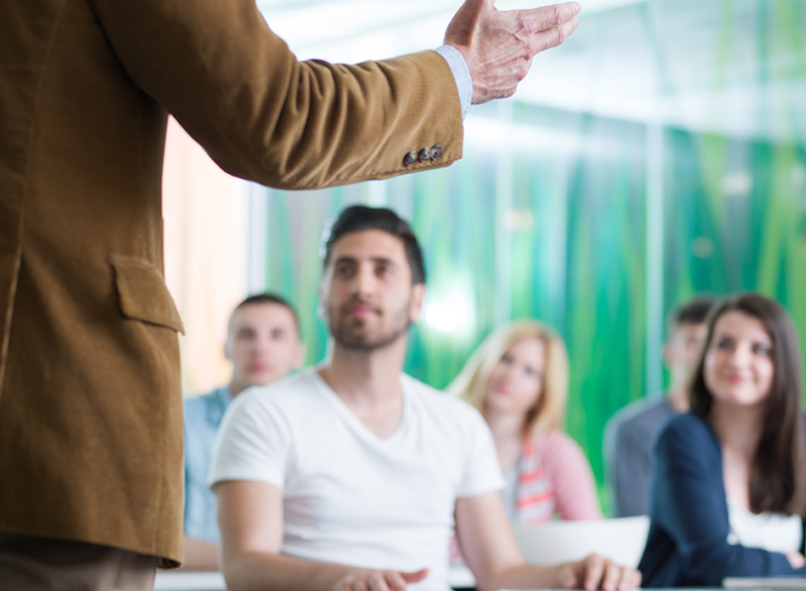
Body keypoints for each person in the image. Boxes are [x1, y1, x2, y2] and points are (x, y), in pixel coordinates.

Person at [0, 0, 582, 584]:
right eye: (350, 266)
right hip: (32, 420)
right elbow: (274, 118)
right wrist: (458, 77)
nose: (364, 285)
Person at [210, 206, 639, 591]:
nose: (362, 285)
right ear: (322, 298)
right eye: (345, 270)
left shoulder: (457, 424)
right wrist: (342, 578)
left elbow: (501, 573)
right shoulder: (263, 412)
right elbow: (244, 567)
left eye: (383, 270)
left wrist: (571, 573)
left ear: (417, 301)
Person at [638, 293, 806, 587]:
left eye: (759, 349)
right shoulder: (682, 437)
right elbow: (712, 562)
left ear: (783, 363)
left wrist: (798, 570)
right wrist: (790, 563)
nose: (737, 360)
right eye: (723, 344)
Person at [182, 293, 306, 569]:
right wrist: (252, 562)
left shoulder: (321, 429)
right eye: (246, 335)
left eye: (276, 335)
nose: (260, 347)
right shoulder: (180, 423)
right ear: (225, 348)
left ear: (299, 353)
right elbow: (155, 543)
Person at [449, 322, 601, 523]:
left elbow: (590, 532)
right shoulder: (443, 432)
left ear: (543, 392)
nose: (511, 375)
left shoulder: (557, 454)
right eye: (506, 359)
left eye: (529, 372)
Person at [603, 296, 713, 517]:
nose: (704, 356)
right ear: (669, 353)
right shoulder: (633, 429)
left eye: (716, 344)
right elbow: (635, 520)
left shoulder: (736, 428)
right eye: (694, 344)